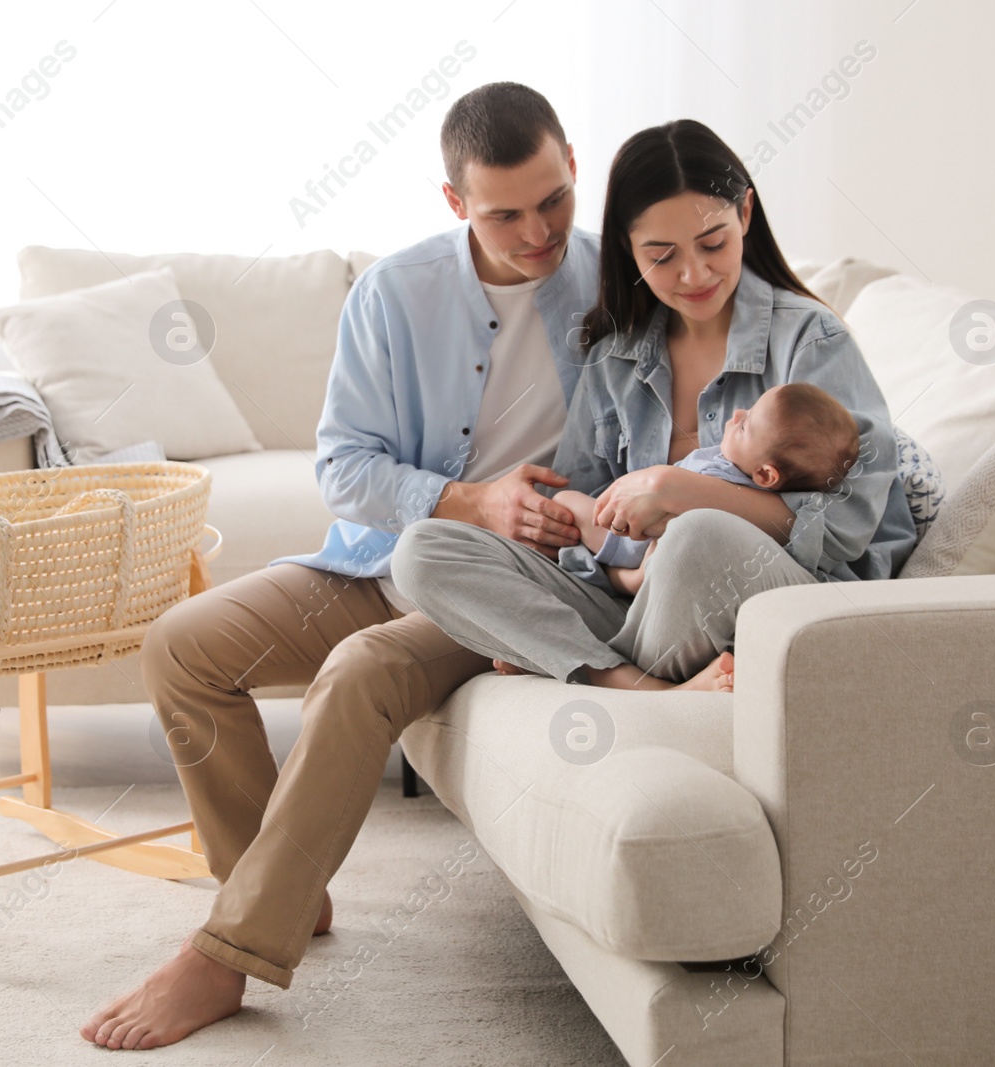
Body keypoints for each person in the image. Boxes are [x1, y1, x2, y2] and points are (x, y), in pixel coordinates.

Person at [80, 82, 601, 1051]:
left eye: (554, 199)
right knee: (183, 647)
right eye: (505, 212)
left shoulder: (624, 288)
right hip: (381, 556)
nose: (538, 231)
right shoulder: (396, 293)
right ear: (454, 204)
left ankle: (230, 951)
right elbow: (346, 470)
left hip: (507, 587)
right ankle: (279, 888)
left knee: (357, 672)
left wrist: (551, 541)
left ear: (573, 161)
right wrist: (469, 498)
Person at [392, 119, 918, 695]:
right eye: (662, 255)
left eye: (714, 243)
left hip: (768, 600)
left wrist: (687, 492)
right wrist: (572, 537)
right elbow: (580, 519)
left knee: (698, 538)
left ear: (745, 214)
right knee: (422, 548)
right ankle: (635, 684)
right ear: (626, 246)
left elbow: (847, 527)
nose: (694, 274)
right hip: (633, 598)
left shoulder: (811, 341)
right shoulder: (614, 355)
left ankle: (580, 664)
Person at [556, 380, 861, 596]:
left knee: (564, 501)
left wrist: (638, 574)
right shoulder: (761, 496)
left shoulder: (720, 482)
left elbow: (673, 530)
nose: (738, 413)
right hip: (639, 544)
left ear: (766, 475)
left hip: (626, 538)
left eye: (745, 426)